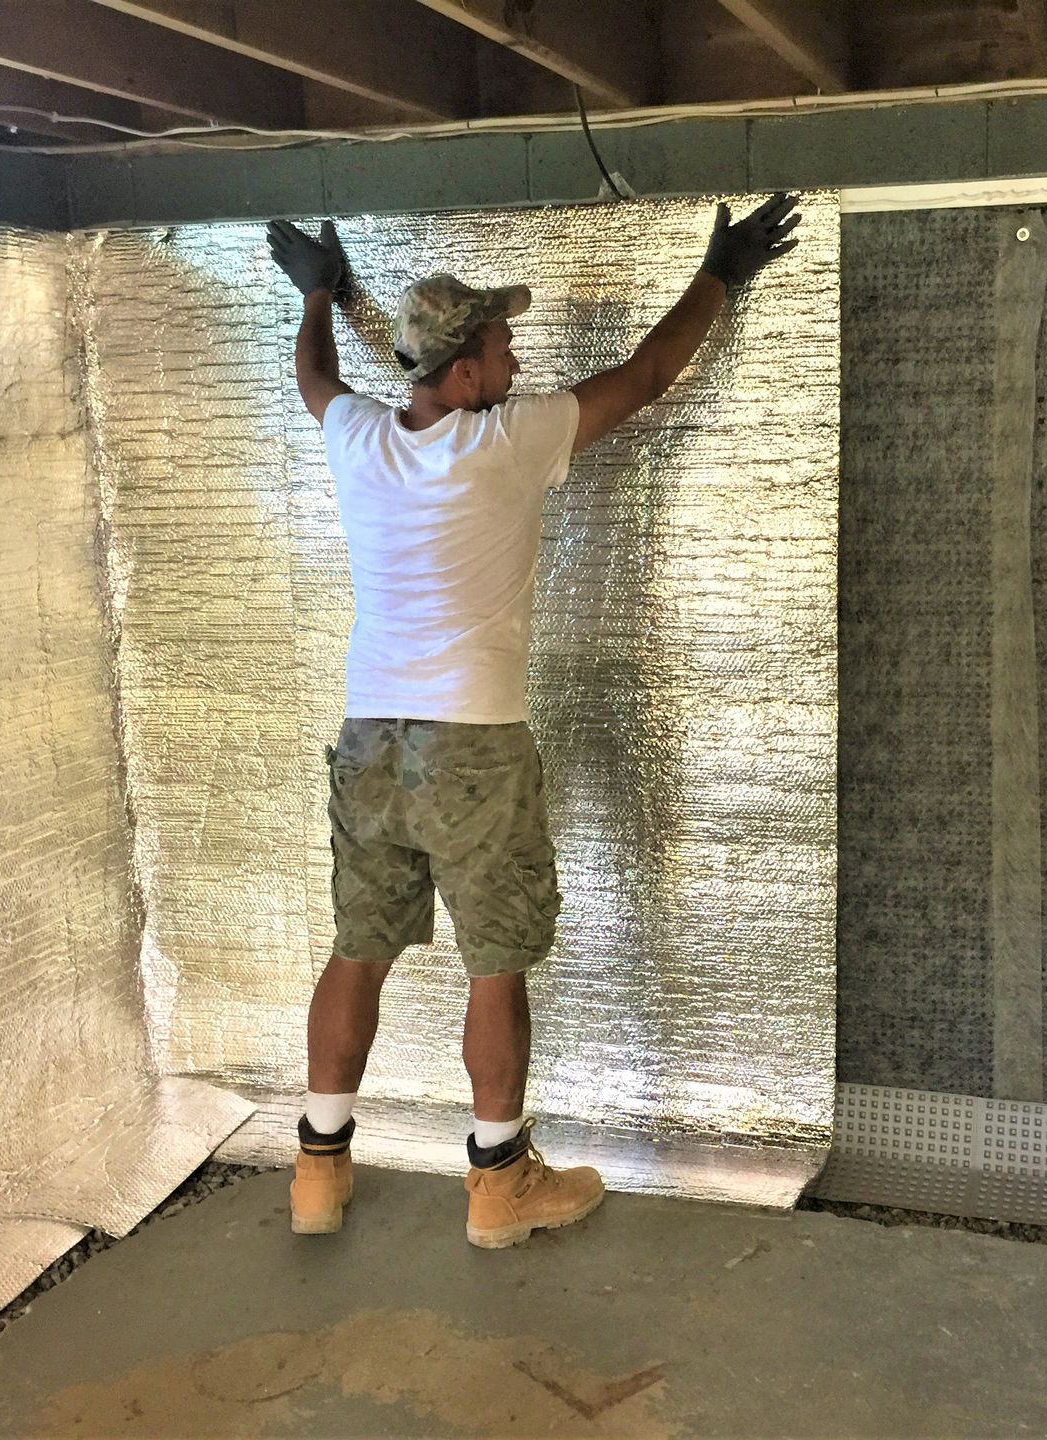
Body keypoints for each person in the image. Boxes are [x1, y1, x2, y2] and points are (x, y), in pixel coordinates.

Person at [265, 193, 800, 1248]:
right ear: (463, 374)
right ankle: (499, 1186)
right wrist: (721, 276)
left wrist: (320, 294)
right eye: (502, 344)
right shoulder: (505, 440)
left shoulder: (360, 436)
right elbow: (646, 377)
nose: (516, 356)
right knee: (495, 962)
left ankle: (318, 1178)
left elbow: (315, 379)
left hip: (371, 736)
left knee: (357, 951)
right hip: (472, 742)